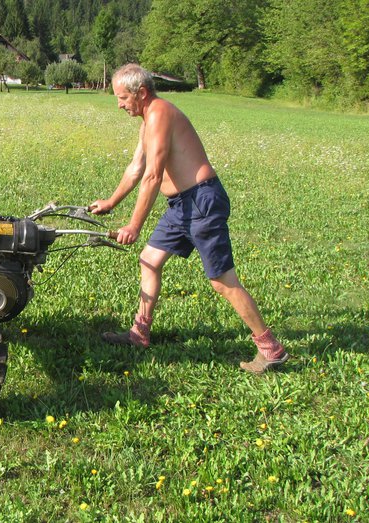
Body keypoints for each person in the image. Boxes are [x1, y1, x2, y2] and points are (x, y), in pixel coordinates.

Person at [90, 63, 288, 374]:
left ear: (140, 93)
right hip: (180, 205)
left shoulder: (160, 114)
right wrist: (111, 202)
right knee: (149, 260)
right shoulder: (147, 121)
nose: (119, 104)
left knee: (222, 281)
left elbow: (153, 176)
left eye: (122, 98)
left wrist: (133, 225)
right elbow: (135, 168)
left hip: (201, 201)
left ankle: (270, 348)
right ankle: (139, 334)